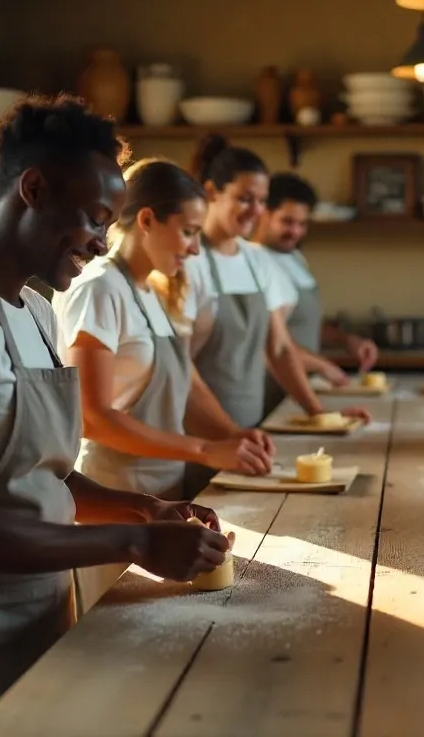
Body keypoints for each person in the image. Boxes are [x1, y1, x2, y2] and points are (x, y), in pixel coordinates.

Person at [0, 96, 231, 737]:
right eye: (93, 218)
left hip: (27, 620)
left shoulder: (32, 308)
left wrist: (140, 508)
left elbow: (37, 475)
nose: (102, 242)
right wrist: (136, 543)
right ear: (32, 189)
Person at [53, 158, 276, 614]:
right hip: (114, 503)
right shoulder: (99, 290)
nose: (196, 249)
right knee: (115, 642)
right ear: (148, 220)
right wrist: (202, 450)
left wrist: (231, 434)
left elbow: (186, 382)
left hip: (162, 499)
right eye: (190, 231)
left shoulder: (148, 291)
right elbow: (91, 417)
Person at [184, 135, 370, 428]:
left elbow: (280, 349)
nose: (255, 211)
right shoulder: (187, 260)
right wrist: (228, 434)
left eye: (261, 201)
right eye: (244, 198)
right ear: (211, 192)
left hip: (251, 424)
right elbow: (180, 367)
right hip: (197, 427)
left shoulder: (256, 261)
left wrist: (318, 412)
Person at [250, 172, 380, 413]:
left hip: (302, 393)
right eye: (287, 222)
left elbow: (302, 322)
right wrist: (321, 365)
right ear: (263, 214)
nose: (296, 232)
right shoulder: (254, 262)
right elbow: (264, 341)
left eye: (302, 223)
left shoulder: (294, 258)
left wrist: (345, 340)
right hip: (271, 394)